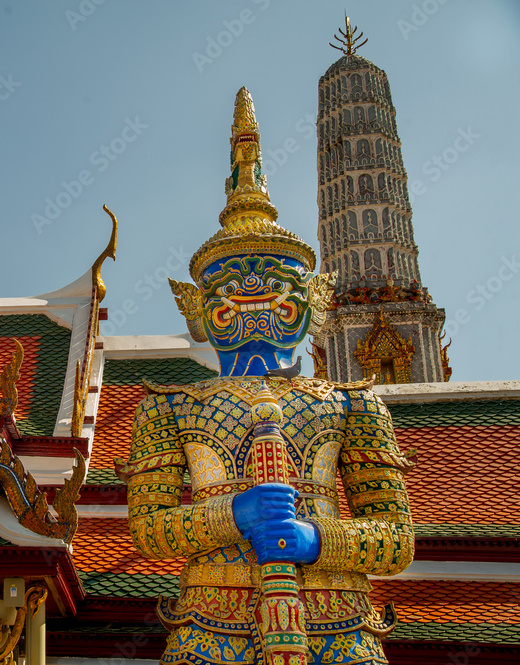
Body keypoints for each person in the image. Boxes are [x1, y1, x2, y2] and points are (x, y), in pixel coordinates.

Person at [126, 88, 414, 665]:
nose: (253, 296)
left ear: (311, 301)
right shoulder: (171, 407)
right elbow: (150, 531)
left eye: (274, 286)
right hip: (214, 623)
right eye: (233, 287)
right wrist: (232, 514)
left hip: (337, 622)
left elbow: (396, 540)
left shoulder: (351, 404)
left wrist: (317, 539)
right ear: (200, 309)